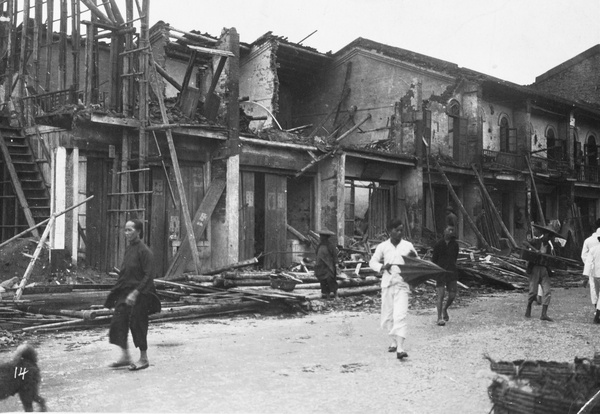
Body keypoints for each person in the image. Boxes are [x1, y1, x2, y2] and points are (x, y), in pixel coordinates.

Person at [104, 219, 161, 371]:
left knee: (138, 324)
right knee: (118, 321)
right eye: (125, 230)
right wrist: (116, 293)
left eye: (130, 230)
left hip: (141, 293)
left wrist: (136, 293)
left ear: (139, 232)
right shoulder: (129, 249)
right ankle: (125, 356)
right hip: (125, 292)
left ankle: (144, 358)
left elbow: (149, 276)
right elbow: (125, 272)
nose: (126, 233)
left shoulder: (145, 251)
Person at [369, 218, 419, 361]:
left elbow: (417, 262)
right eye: (397, 230)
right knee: (388, 315)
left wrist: (413, 258)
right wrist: (382, 267)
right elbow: (372, 262)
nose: (399, 233)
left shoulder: (408, 246)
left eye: (401, 230)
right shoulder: (383, 246)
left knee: (400, 315)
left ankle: (400, 348)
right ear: (389, 231)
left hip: (402, 285)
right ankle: (393, 341)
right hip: (387, 284)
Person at [522, 224, 557, 322]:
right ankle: (529, 307)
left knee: (547, 291)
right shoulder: (536, 241)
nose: (549, 238)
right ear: (544, 234)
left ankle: (544, 314)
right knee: (533, 292)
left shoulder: (550, 246)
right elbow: (524, 242)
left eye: (551, 236)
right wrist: (535, 251)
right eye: (548, 235)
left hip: (544, 269)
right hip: (535, 268)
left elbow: (551, 259)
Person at [432, 225, 459, 326]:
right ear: (444, 231)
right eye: (449, 230)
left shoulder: (455, 245)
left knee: (452, 295)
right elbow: (434, 259)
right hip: (440, 272)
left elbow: (455, 258)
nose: (450, 232)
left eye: (452, 230)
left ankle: (445, 308)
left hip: (452, 271)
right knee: (441, 295)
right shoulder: (438, 244)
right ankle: (439, 318)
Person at [581, 218, 600, 322]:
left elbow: (585, 257)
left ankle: (597, 311)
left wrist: (589, 269)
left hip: (594, 271)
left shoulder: (589, 242)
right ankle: (597, 314)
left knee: (594, 290)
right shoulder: (590, 242)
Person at [314, 229, 339, 300]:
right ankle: (327, 296)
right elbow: (317, 255)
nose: (320, 238)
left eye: (322, 236)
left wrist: (336, 265)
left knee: (330, 280)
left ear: (326, 237)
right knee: (323, 281)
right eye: (320, 236)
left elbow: (335, 256)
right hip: (321, 266)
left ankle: (336, 295)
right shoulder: (319, 245)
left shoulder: (331, 245)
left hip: (329, 266)